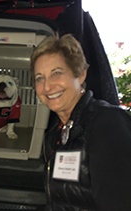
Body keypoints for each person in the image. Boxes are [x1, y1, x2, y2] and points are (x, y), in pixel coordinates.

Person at [30, 33, 131, 210]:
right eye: (40, 78)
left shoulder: (106, 124)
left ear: (81, 74)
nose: (47, 87)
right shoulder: (56, 132)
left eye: (56, 73)